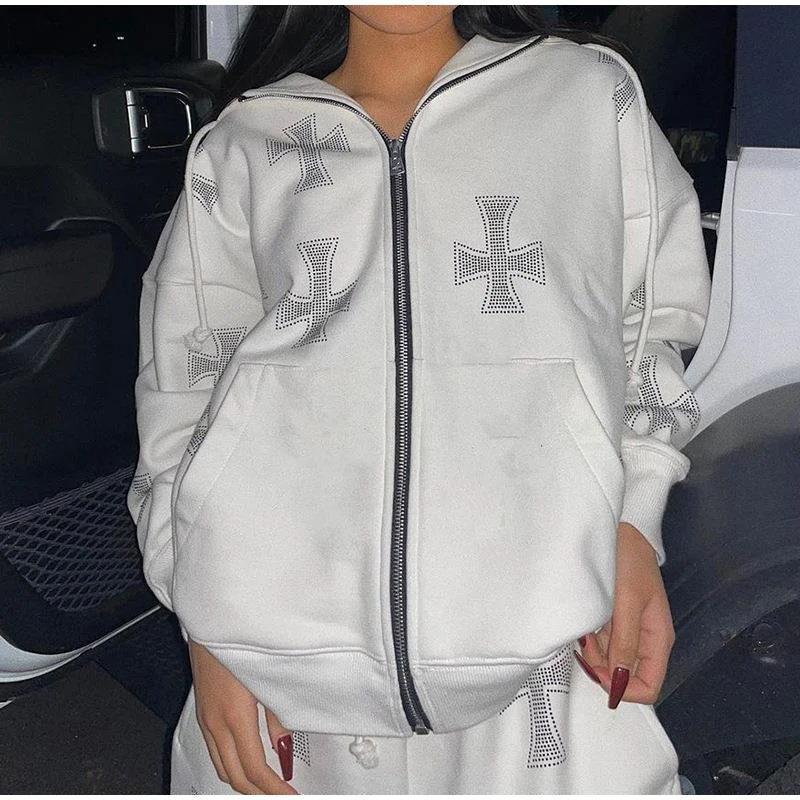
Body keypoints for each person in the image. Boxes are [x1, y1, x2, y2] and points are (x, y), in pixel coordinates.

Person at [128, 5, 710, 794]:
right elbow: (184, 393)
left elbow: (650, 322)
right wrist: (209, 626)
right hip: (285, 658)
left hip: (546, 644)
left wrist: (635, 521)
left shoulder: (585, 98)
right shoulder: (248, 142)